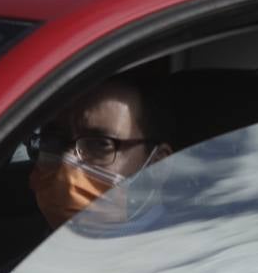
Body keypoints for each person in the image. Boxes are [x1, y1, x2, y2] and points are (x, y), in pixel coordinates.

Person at [27, 72, 173, 229]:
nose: (65, 166)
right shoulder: (50, 247)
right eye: (55, 140)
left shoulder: (182, 250)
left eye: (100, 145)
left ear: (158, 165)